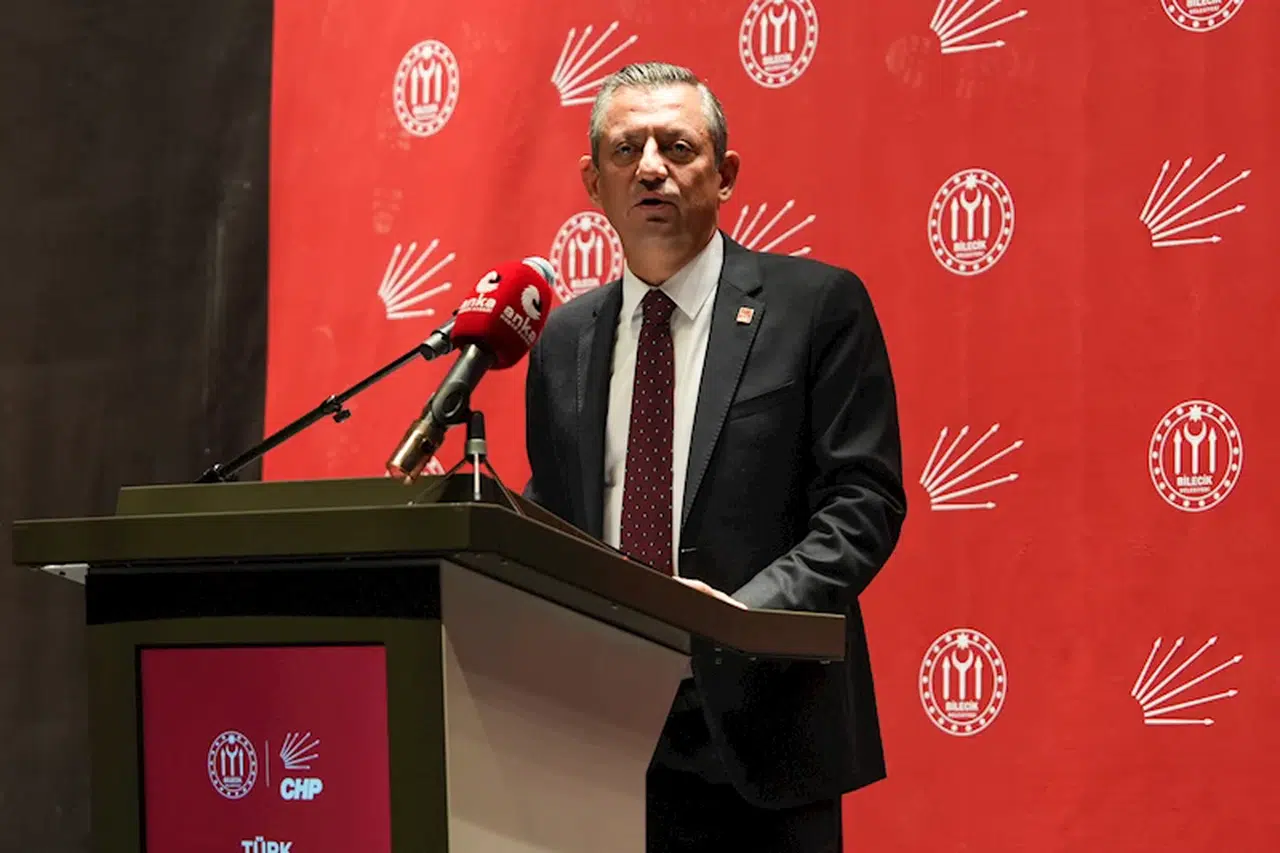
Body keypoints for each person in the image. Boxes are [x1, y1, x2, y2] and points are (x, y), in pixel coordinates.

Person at [522, 62, 907, 852]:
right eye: (626, 150)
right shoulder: (563, 340)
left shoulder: (816, 307)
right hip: (598, 731)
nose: (650, 168)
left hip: (763, 727)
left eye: (677, 146)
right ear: (593, 184)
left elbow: (863, 501)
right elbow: (556, 511)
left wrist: (737, 617)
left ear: (725, 174)